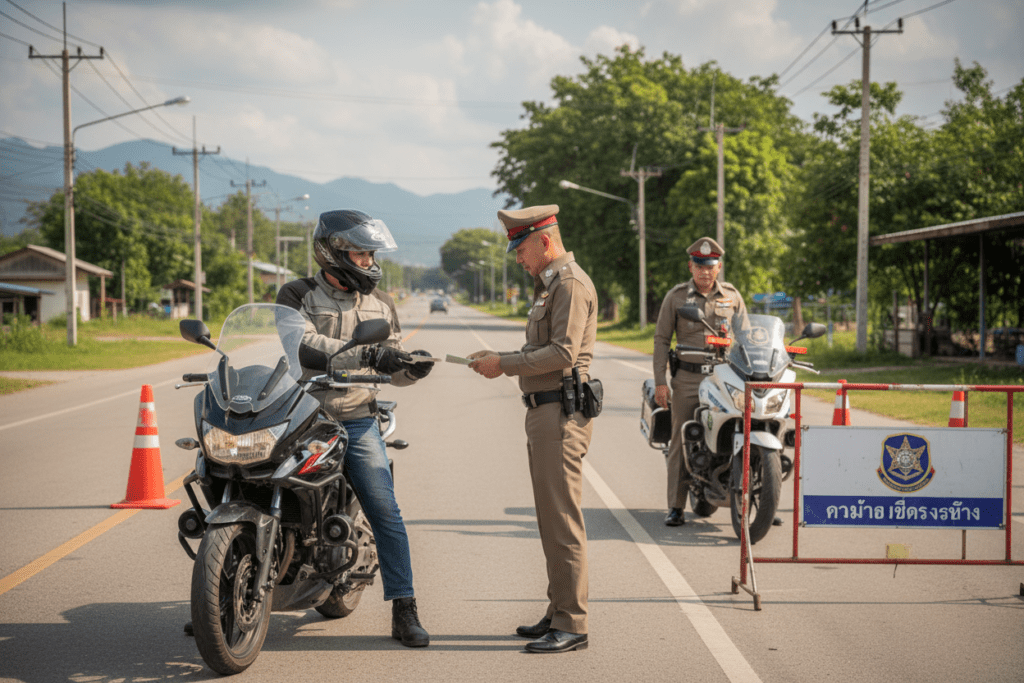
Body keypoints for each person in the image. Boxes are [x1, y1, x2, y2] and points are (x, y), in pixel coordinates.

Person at [277, 209, 434, 648]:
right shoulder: (296, 294)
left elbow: (392, 366)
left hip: (356, 418)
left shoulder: (381, 305)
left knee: (385, 509)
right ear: (333, 252)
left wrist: (409, 368)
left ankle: (405, 609)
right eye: (361, 253)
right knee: (254, 485)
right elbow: (303, 346)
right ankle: (220, 595)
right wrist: (367, 356)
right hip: (302, 417)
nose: (369, 261)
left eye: (370, 253)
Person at [468, 205, 597, 654]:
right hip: (544, 412)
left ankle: (573, 623)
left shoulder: (571, 285)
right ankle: (558, 609)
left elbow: (562, 352)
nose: (518, 259)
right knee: (549, 518)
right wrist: (499, 359)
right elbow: (541, 348)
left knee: (562, 520)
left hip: (561, 414)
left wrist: (502, 364)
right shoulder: (550, 286)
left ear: (544, 241)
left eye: (521, 248)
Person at [652, 237, 747, 526]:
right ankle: (676, 507)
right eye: (700, 267)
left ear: (718, 267)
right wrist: (660, 380)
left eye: (711, 267)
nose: (705, 272)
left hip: (725, 379)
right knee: (682, 437)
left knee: (740, 431)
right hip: (689, 379)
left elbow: (746, 338)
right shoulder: (677, 296)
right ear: (691, 266)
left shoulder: (732, 296)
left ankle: (756, 496)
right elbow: (661, 339)